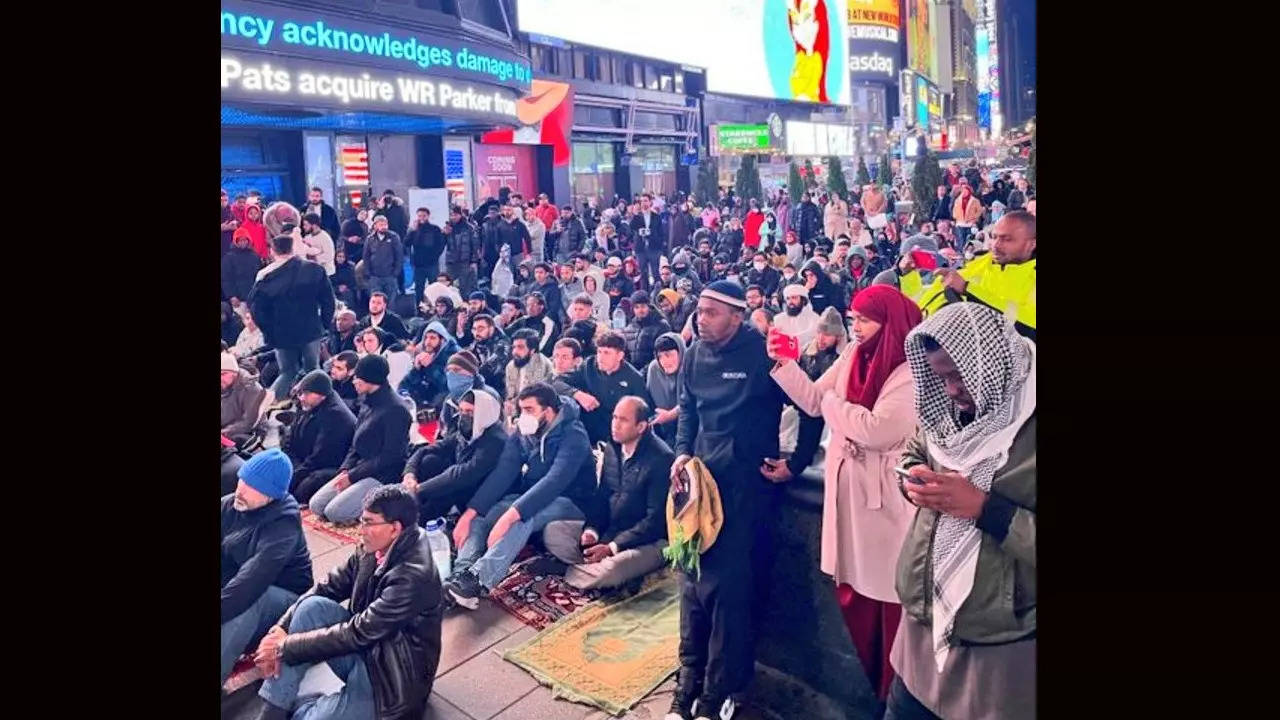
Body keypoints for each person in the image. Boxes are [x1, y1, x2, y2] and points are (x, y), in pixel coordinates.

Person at [768, 286, 922, 702]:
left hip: (884, 497)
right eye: (853, 320)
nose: (856, 329)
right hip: (849, 488)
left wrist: (836, 405)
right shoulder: (854, 354)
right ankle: (876, 690)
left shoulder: (910, 371)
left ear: (889, 325)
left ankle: (894, 694)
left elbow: (877, 429)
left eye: (864, 321)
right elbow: (816, 401)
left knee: (888, 595)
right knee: (853, 586)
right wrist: (785, 365)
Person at [886, 302, 1036, 720]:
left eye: (958, 375)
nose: (951, 390)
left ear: (990, 363)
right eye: (940, 377)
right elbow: (918, 448)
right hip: (920, 629)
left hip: (999, 647)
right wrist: (910, 476)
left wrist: (986, 509)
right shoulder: (950, 410)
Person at [667, 281, 785, 720]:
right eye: (699, 310)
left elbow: (809, 403)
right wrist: (682, 454)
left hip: (745, 487)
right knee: (691, 582)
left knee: (728, 592)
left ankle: (721, 691)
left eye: (712, 312)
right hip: (700, 482)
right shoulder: (694, 352)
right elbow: (688, 410)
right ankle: (688, 681)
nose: (701, 317)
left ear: (737, 316)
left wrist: (797, 459)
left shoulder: (761, 351)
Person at [248, 486, 443, 720]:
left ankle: (305, 706)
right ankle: (272, 711)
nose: (361, 530)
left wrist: (284, 646)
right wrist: (281, 628)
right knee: (311, 607)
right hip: (366, 646)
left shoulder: (413, 576)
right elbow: (326, 587)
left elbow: (359, 632)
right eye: (362, 520)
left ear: (395, 528)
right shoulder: (372, 547)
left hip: (391, 677)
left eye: (369, 523)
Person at [444, 383, 597, 608]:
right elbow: (503, 472)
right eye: (521, 410)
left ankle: (479, 580)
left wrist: (510, 516)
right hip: (532, 495)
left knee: (523, 517)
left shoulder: (574, 435)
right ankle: (461, 575)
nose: (523, 416)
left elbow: (554, 482)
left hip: (572, 500)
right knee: (482, 516)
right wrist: (470, 513)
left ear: (549, 410)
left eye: (529, 410)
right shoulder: (525, 434)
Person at [543, 396, 674, 590]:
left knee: (612, 571)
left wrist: (613, 547)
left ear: (641, 427)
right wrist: (592, 531)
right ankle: (591, 566)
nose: (615, 425)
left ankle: (581, 569)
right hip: (611, 530)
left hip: (646, 541)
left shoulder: (661, 459)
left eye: (623, 420)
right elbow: (602, 496)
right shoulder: (613, 447)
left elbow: (654, 521)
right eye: (614, 418)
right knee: (553, 531)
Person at [220, 449, 314, 684]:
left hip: (284, 598)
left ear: (271, 496)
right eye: (243, 480)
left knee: (249, 603)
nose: (241, 490)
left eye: (253, 487)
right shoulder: (232, 504)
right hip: (242, 579)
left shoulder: (282, 525)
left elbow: (251, 582)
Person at [308, 355, 412, 525]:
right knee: (316, 505)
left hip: (381, 474)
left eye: (358, 377)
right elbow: (355, 442)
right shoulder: (366, 400)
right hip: (358, 468)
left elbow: (391, 456)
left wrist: (353, 477)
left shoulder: (396, 410)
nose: (354, 381)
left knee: (334, 512)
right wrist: (346, 469)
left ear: (371, 379)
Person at [248, 233, 336, 410]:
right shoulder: (314, 269)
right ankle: (321, 407)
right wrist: (324, 325)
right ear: (293, 248)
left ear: (272, 251)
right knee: (314, 370)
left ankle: (264, 406)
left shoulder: (265, 275)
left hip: (281, 334)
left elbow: (256, 309)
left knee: (287, 371)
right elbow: (328, 300)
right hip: (310, 330)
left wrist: (269, 332)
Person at [918, 211, 1037, 340]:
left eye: (1007, 239)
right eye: (994, 237)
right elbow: (919, 310)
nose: (995, 245)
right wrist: (905, 275)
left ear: (1032, 244)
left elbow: (1028, 326)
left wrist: (969, 290)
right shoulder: (973, 267)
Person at [403, 388, 507, 523]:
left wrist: (418, 489)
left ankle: (415, 521)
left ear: (484, 413)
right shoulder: (469, 430)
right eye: (461, 411)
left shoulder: (495, 440)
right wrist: (409, 474)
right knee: (430, 460)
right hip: (460, 484)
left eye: (470, 412)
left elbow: (464, 473)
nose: (463, 416)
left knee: (447, 484)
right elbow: (430, 449)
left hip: (482, 498)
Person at [556, 331, 653, 446]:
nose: (600, 358)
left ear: (620, 356)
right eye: (599, 352)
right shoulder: (589, 366)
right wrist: (578, 394)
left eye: (607, 353)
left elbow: (644, 413)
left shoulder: (634, 378)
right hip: (586, 428)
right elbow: (557, 382)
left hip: (615, 433)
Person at [285, 370, 358, 506]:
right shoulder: (309, 403)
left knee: (300, 490)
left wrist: (293, 476)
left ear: (322, 396)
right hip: (303, 459)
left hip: (326, 467)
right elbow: (290, 436)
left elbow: (320, 457)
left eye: (306, 394)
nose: (301, 398)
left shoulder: (336, 416)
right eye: (301, 393)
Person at [399, 321, 460, 408]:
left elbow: (448, 386)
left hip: (444, 401)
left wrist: (430, 367)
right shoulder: (424, 353)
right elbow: (405, 383)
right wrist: (416, 369)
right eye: (426, 338)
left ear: (442, 340)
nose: (428, 342)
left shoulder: (454, 355)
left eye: (432, 338)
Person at [645, 332, 685, 449]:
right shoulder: (654, 369)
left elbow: (694, 401)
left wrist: (672, 414)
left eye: (669, 355)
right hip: (661, 430)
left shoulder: (690, 366)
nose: (664, 361)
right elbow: (649, 401)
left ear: (680, 353)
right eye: (660, 356)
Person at [621, 291, 671, 372]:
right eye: (636, 307)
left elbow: (662, 355)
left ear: (649, 306)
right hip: (633, 373)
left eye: (643, 306)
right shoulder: (630, 326)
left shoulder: (661, 326)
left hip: (654, 373)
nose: (640, 310)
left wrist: (644, 372)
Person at [404, 207, 445, 305]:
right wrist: (412, 231)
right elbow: (406, 243)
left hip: (432, 264)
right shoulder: (414, 230)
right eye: (419, 216)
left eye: (424, 216)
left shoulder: (435, 229)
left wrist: (434, 256)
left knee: (434, 288)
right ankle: (419, 309)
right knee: (419, 288)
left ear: (428, 216)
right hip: (418, 265)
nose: (421, 218)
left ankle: (435, 308)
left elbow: (441, 244)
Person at [364, 214, 405, 301]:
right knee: (376, 301)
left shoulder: (394, 237)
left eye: (385, 224)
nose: (384, 227)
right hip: (375, 276)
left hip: (390, 275)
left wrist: (396, 272)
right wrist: (368, 272)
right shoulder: (370, 239)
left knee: (390, 302)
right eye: (381, 225)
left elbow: (399, 256)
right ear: (375, 226)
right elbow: (366, 257)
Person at [467, 313, 511, 392]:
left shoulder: (503, 344)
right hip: (479, 385)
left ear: (491, 329)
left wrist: (468, 379)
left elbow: (492, 367)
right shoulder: (478, 342)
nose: (476, 333)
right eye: (474, 329)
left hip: (498, 388)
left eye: (480, 329)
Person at [443, 205, 481, 296]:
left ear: (460, 215)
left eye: (455, 215)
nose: (453, 217)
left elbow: (475, 246)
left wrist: (473, 261)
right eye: (451, 215)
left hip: (465, 261)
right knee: (449, 285)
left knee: (465, 286)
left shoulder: (469, 228)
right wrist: (444, 234)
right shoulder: (447, 228)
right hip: (451, 261)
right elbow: (442, 244)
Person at [630, 193, 664, 290]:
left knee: (656, 273)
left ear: (650, 202)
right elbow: (631, 227)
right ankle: (645, 294)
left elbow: (661, 233)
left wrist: (651, 234)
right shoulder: (638, 216)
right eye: (641, 201)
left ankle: (658, 293)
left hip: (654, 248)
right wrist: (635, 215)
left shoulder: (656, 217)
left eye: (645, 200)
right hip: (641, 249)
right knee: (642, 274)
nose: (643, 203)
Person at [509, 291, 560, 356]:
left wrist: (528, 354)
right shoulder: (522, 320)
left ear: (541, 306)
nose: (530, 308)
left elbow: (544, 346)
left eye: (533, 305)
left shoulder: (548, 323)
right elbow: (507, 334)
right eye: (528, 305)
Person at [223, 230, 264, 310]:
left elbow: (260, 275)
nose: (243, 242)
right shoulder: (228, 258)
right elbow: (226, 279)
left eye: (245, 240)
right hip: (239, 300)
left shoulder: (255, 256)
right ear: (235, 241)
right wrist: (231, 296)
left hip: (255, 298)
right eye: (240, 240)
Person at [774, 284, 821, 350]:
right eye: (788, 299)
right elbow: (777, 339)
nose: (790, 302)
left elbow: (811, 336)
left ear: (803, 300)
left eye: (794, 298)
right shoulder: (778, 319)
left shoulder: (814, 318)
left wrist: (788, 339)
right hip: (786, 354)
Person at [298, 213, 336, 277]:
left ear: (314, 225)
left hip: (326, 273)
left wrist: (313, 258)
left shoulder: (325, 238)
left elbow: (329, 256)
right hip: (312, 272)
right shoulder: (307, 237)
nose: (304, 227)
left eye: (306, 225)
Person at [951, 182, 982, 248]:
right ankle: (961, 251)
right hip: (960, 223)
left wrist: (974, 218)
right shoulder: (957, 200)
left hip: (970, 223)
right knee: (961, 238)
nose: (965, 192)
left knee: (969, 238)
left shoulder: (975, 200)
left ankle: (969, 251)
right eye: (963, 191)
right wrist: (956, 217)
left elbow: (979, 211)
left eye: (966, 191)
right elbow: (954, 210)